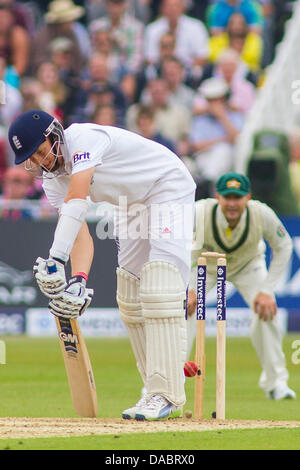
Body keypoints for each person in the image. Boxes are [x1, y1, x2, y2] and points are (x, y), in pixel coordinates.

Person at [8, 109, 196, 420]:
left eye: (41, 151)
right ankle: (153, 389)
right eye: (33, 159)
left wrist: (56, 259)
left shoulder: (84, 139)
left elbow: (78, 197)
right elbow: (81, 236)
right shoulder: (52, 182)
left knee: (160, 287)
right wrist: (78, 279)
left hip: (168, 186)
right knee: (130, 295)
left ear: (53, 134)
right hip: (131, 206)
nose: (42, 161)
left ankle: (167, 394)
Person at [186, 172, 296, 400]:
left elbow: (284, 245)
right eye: (227, 198)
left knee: (268, 313)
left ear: (248, 197)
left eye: (238, 197)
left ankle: (276, 383)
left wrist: (267, 290)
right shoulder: (199, 211)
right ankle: (167, 384)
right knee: (183, 309)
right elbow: (179, 246)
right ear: (218, 197)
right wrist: (186, 287)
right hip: (205, 265)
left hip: (248, 266)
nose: (232, 204)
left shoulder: (261, 213)